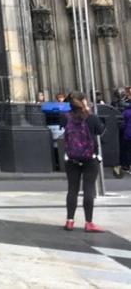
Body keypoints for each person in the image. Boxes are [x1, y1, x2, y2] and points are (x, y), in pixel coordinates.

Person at [62, 92, 105, 232]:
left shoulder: (65, 117)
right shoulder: (91, 117)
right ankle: (88, 222)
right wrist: (87, 110)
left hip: (72, 158)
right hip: (90, 158)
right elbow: (100, 131)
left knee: (72, 189)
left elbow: (63, 129)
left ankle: (69, 221)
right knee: (88, 188)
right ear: (84, 101)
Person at [41, 94, 72, 173]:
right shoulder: (65, 110)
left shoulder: (51, 109)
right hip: (60, 129)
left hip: (55, 128)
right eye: (59, 98)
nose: (60, 99)